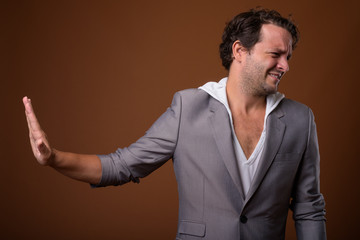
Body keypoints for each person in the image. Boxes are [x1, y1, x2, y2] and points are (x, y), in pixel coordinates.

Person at [23, 8, 326, 240]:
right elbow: (121, 166)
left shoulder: (301, 119)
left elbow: (309, 208)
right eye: (276, 54)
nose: (285, 65)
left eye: (288, 56)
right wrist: (53, 158)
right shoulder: (188, 107)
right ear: (239, 51)